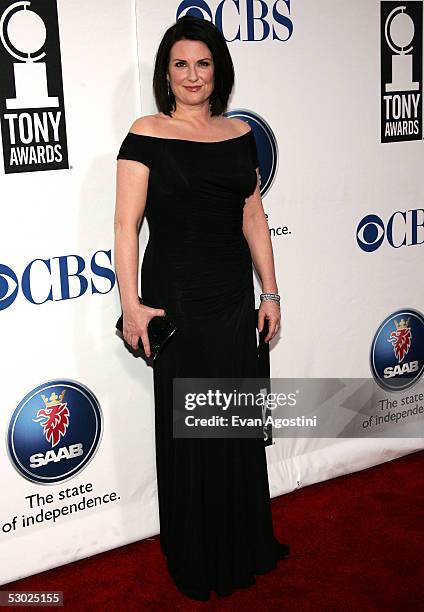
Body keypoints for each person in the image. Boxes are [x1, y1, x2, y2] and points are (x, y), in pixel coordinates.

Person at [114, 15, 289, 601]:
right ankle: (196, 553)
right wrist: (131, 305)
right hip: (179, 306)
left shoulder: (239, 135)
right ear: (167, 72)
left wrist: (270, 291)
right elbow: (125, 225)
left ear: (219, 72)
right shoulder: (145, 132)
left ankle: (244, 542)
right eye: (181, 64)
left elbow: (253, 218)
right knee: (191, 430)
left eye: (204, 63)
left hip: (234, 302)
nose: (193, 75)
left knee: (233, 425)